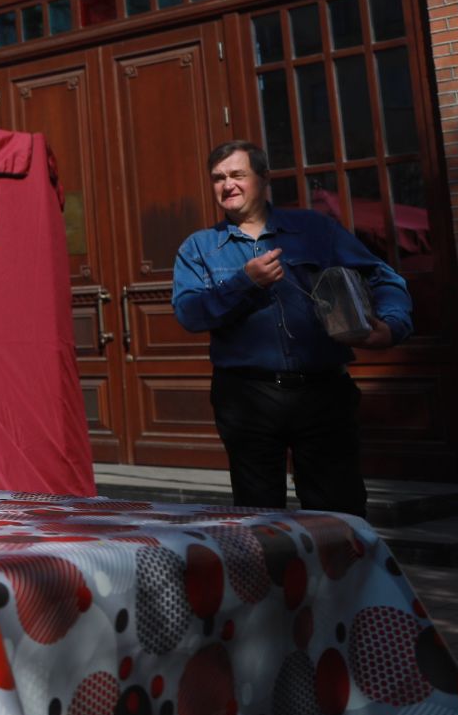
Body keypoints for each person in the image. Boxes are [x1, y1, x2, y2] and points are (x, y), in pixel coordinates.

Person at [171, 140, 410, 518]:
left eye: (237, 175)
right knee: (259, 517)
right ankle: (274, 580)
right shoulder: (199, 248)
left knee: (339, 513)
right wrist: (244, 282)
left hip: (322, 391)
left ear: (263, 180)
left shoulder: (314, 230)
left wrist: (392, 326)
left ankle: (342, 579)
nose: (227, 185)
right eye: (218, 178)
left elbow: (383, 277)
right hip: (247, 396)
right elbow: (189, 314)